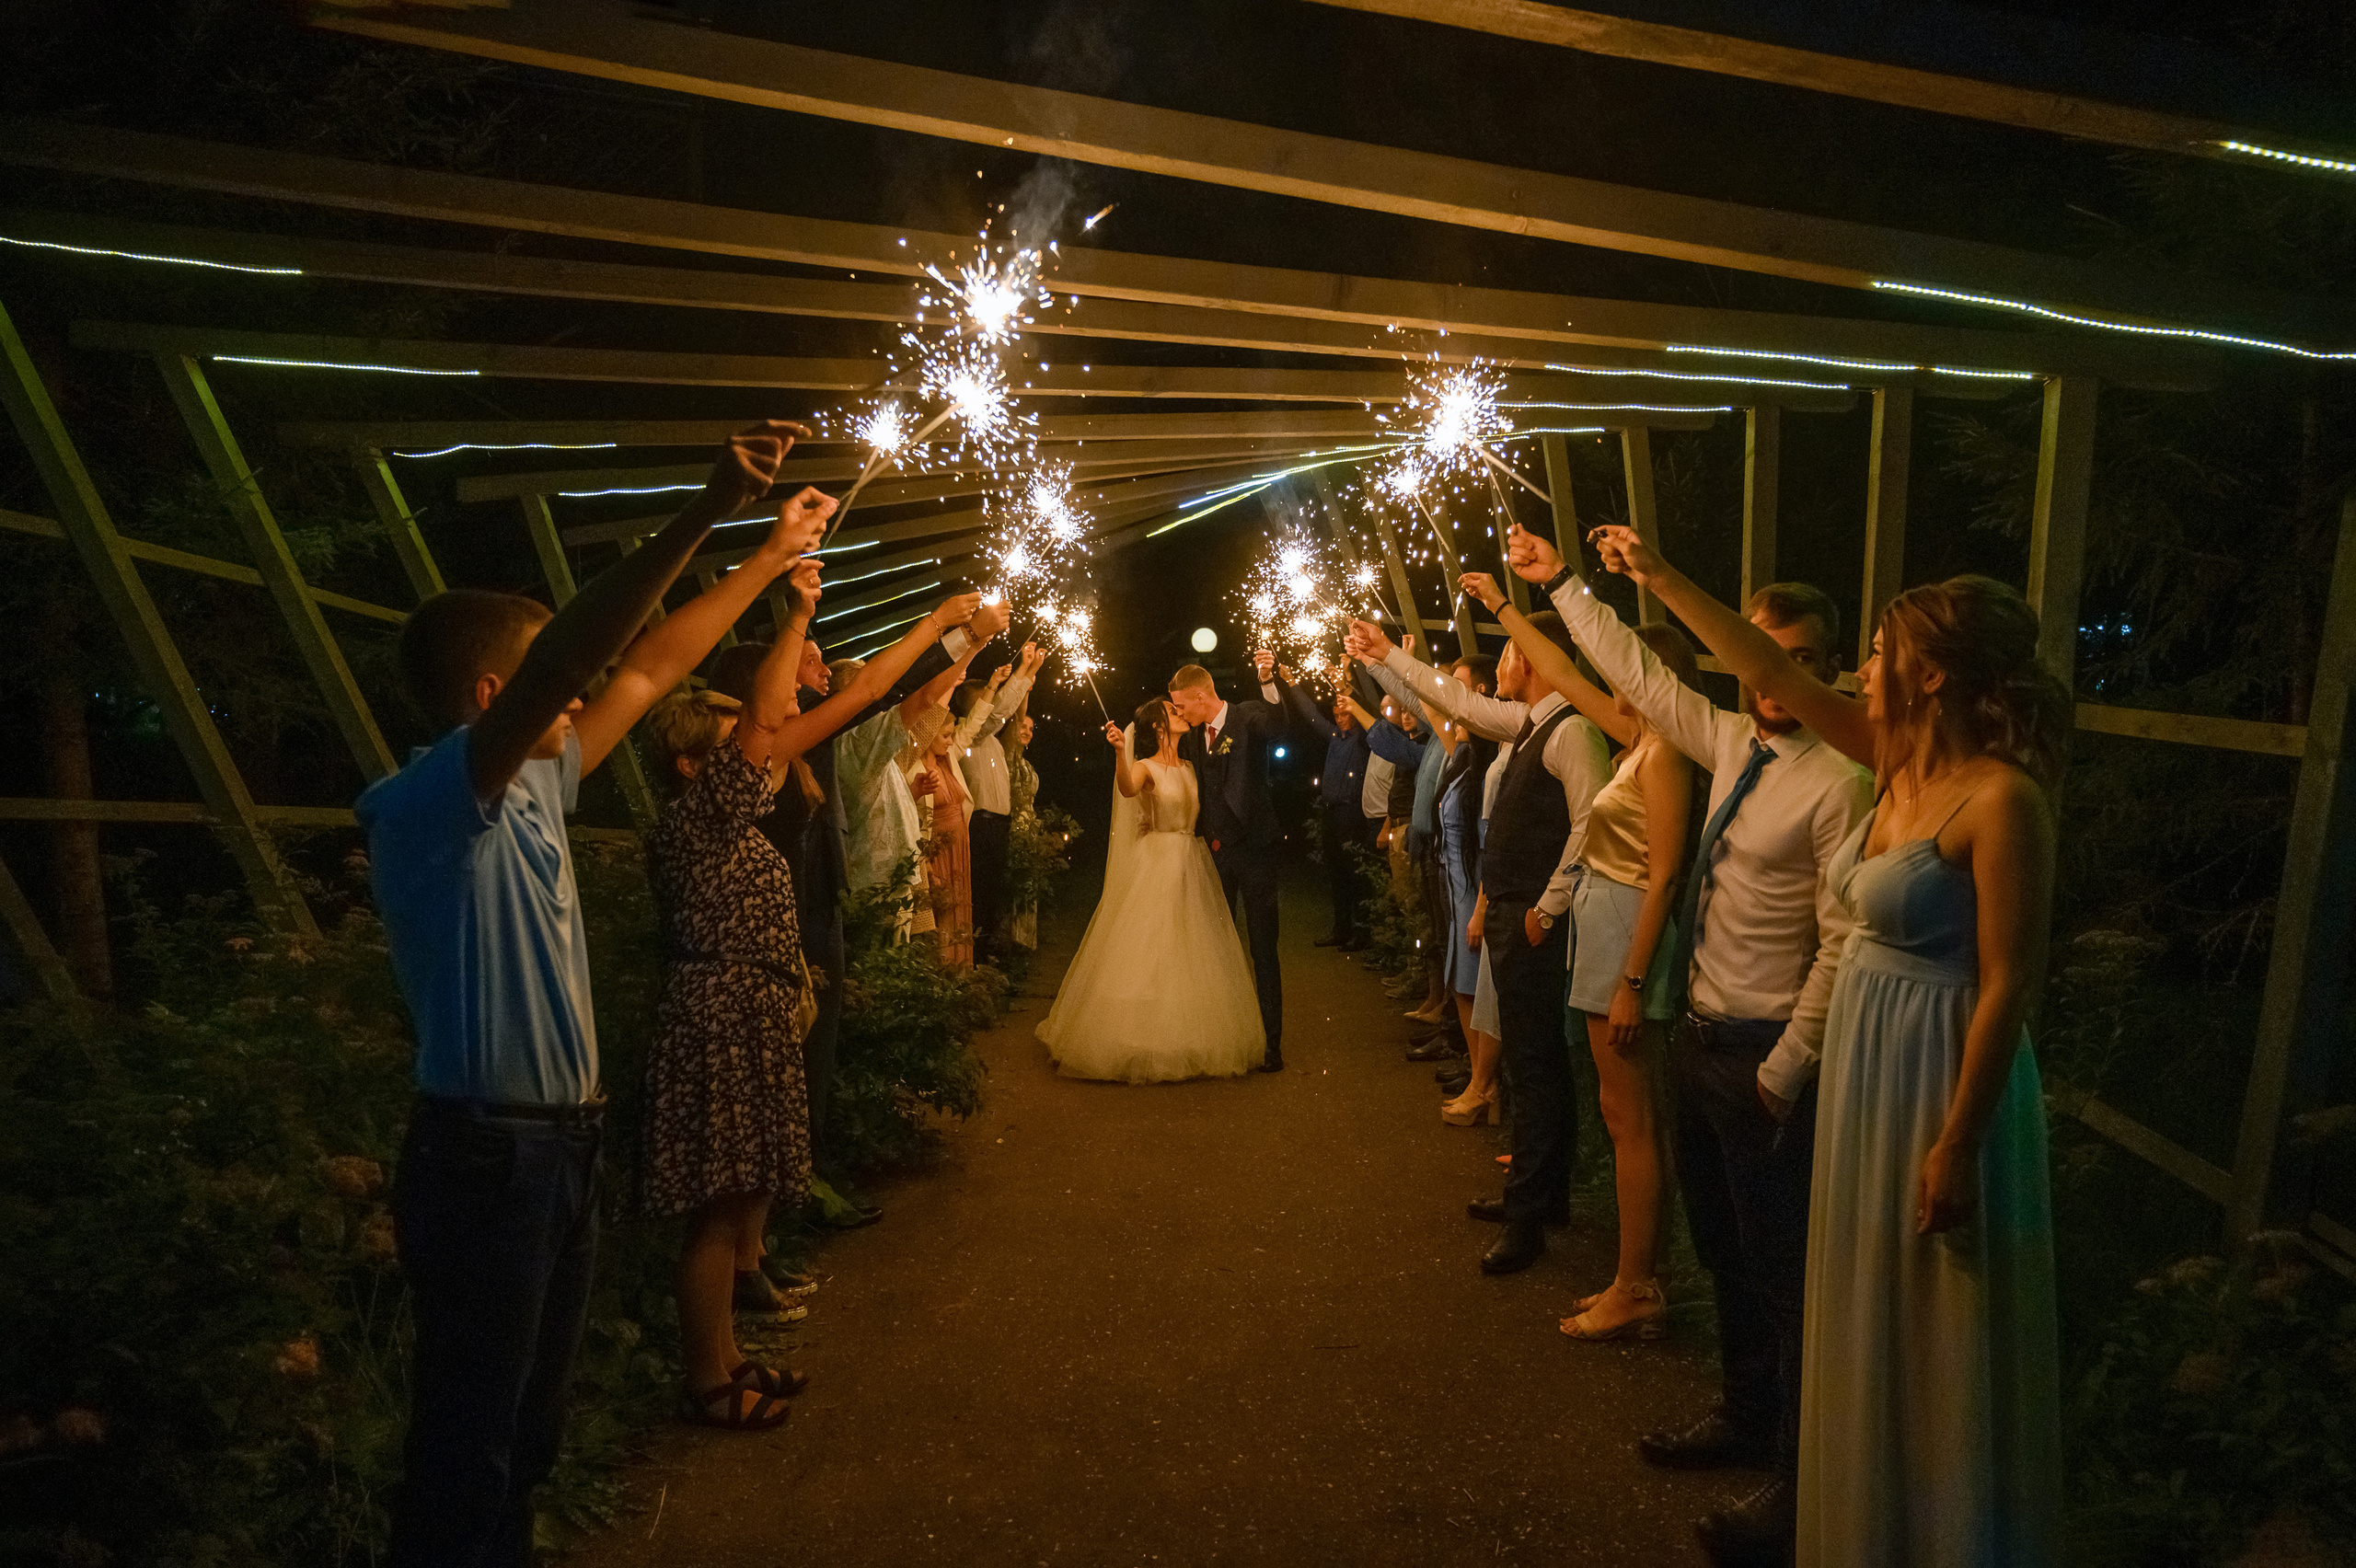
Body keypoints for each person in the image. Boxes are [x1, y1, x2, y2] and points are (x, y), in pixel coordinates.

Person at [358, 422, 805, 1567]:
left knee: (528, 1431)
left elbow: (648, 668)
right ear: (495, 692)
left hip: (559, 1147)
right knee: (469, 1440)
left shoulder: (538, 785)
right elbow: (582, 662)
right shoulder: (432, 801)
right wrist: (702, 510)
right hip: (486, 1157)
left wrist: (763, 557)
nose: (585, 698)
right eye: (557, 682)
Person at [1587, 526, 2065, 1568]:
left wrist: (1957, 1142)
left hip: (1938, 1069)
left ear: (1930, 675)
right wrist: (1659, 576)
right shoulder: (1893, 762)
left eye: (1881, 652)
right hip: (1867, 1062)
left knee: (1936, 1308)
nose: (1860, 669)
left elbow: (2007, 983)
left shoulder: (2001, 798)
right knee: (1859, 1293)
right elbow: (1766, 670)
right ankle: (1860, 1504)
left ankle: (1943, 1528)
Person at [1505, 524, 1874, 1566]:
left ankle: (1797, 1485)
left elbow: (1840, 942)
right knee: (1724, 1251)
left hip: (1764, 1053)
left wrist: (1783, 1072)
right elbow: (1639, 678)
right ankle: (1744, 1417)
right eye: (1760, 654)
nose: (1773, 677)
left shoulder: (1838, 779)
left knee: (1783, 1271)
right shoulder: (1735, 743)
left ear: (1828, 668)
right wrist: (1564, 584)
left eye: (1798, 659)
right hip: (1705, 1034)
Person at [641, 557, 979, 1430]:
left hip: (749, 1009)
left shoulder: (735, 815)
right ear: (694, 766)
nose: (761, 750)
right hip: (718, 1019)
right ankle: (707, 1379)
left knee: (738, 1199)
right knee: (716, 1211)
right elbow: (782, 714)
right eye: (738, 745)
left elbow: (848, 697)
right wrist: (794, 613)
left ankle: (727, 1357)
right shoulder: (702, 820)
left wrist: (933, 627)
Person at [1465, 572, 1698, 1340]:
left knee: (1633, 1116)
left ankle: (1640, 1284)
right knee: (1617, 1109)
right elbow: (1562, 673)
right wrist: (1504, 605)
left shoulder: (1663, 756)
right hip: (1602, 934)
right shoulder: (1640, 743)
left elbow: (1664, 873)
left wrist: (1631, 977)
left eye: (1622, 669)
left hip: (1623, 938)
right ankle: (1632, 1276)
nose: (1606, 681)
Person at [1346, 610, 1611, 1275]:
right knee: (1533, 1061)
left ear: (1537, 659)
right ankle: (1542, 1197)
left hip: (1533, 920)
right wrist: (1387, 656)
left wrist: (1547, 908)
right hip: (1515, 914)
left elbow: (1589, 824)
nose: (1503, 663)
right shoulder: (1529, 722)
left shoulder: (1573, 730)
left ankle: (1530, 1216)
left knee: (1536, 1065)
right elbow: (1456, 701)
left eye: (1512, 651)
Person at [1035, 698, 1265, 1082]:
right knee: (1151, 943)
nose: (1180, 714)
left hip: (1192, 858)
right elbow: (1127, 789)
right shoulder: (1145, 767)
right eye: (1172, 712)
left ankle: (1189, 1034)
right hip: (1157, 859)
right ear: (1158, 727)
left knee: (1192, 944)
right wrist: (1118, 752)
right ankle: (1139, 1037)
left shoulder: (1190, 765)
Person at [1168, 653, 1293, 1072]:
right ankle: (1222, 1036)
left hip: (1256, 851)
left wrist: (1269, 682)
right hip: (1215, 855)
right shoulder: (1192, 737)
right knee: (1214, 946)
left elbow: (1278, 727)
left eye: (1181, 705)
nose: (1179, 713)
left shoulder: (1248, 717)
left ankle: (1271, 1045)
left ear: (1200, 696)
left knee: (1263, 949)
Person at [952, 644, 1045, 966]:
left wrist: (1029, 673)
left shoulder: (991, 739)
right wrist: (1020, 673)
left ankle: (986, 955)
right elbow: (997, 714)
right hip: (980, 824)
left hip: (998, 825)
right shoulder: (970, 734)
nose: (991, 705)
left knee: (992, 893)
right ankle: (974, 958)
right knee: (979, 894)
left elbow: (1013, 717)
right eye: (986, 700)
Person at [1297, 680, 1371, 951]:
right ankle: (1341, 929)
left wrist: (1347, 686)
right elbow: (1310, 714)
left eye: (1345, 714)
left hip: (1350, 813)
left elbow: (1368, 711)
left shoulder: (1362, 739)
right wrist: (1293, 685)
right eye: (1337, 715)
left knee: (1354, 873)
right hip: (1330, 811)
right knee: (1336, 872)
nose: (1340, 719)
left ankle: (1361, 933)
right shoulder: (1334, 737)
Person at [908, 699, 976, 967]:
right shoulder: (915, 770)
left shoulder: (948, 761)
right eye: (945, 735)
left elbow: (974, 726)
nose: (950, 741)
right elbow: (913, 820)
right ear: (928, 734)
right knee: (941, 913)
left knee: (959, 908)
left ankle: (961, 971)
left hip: (959, 848)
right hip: (937, 852)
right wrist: (927, 864)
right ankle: (944, 972)